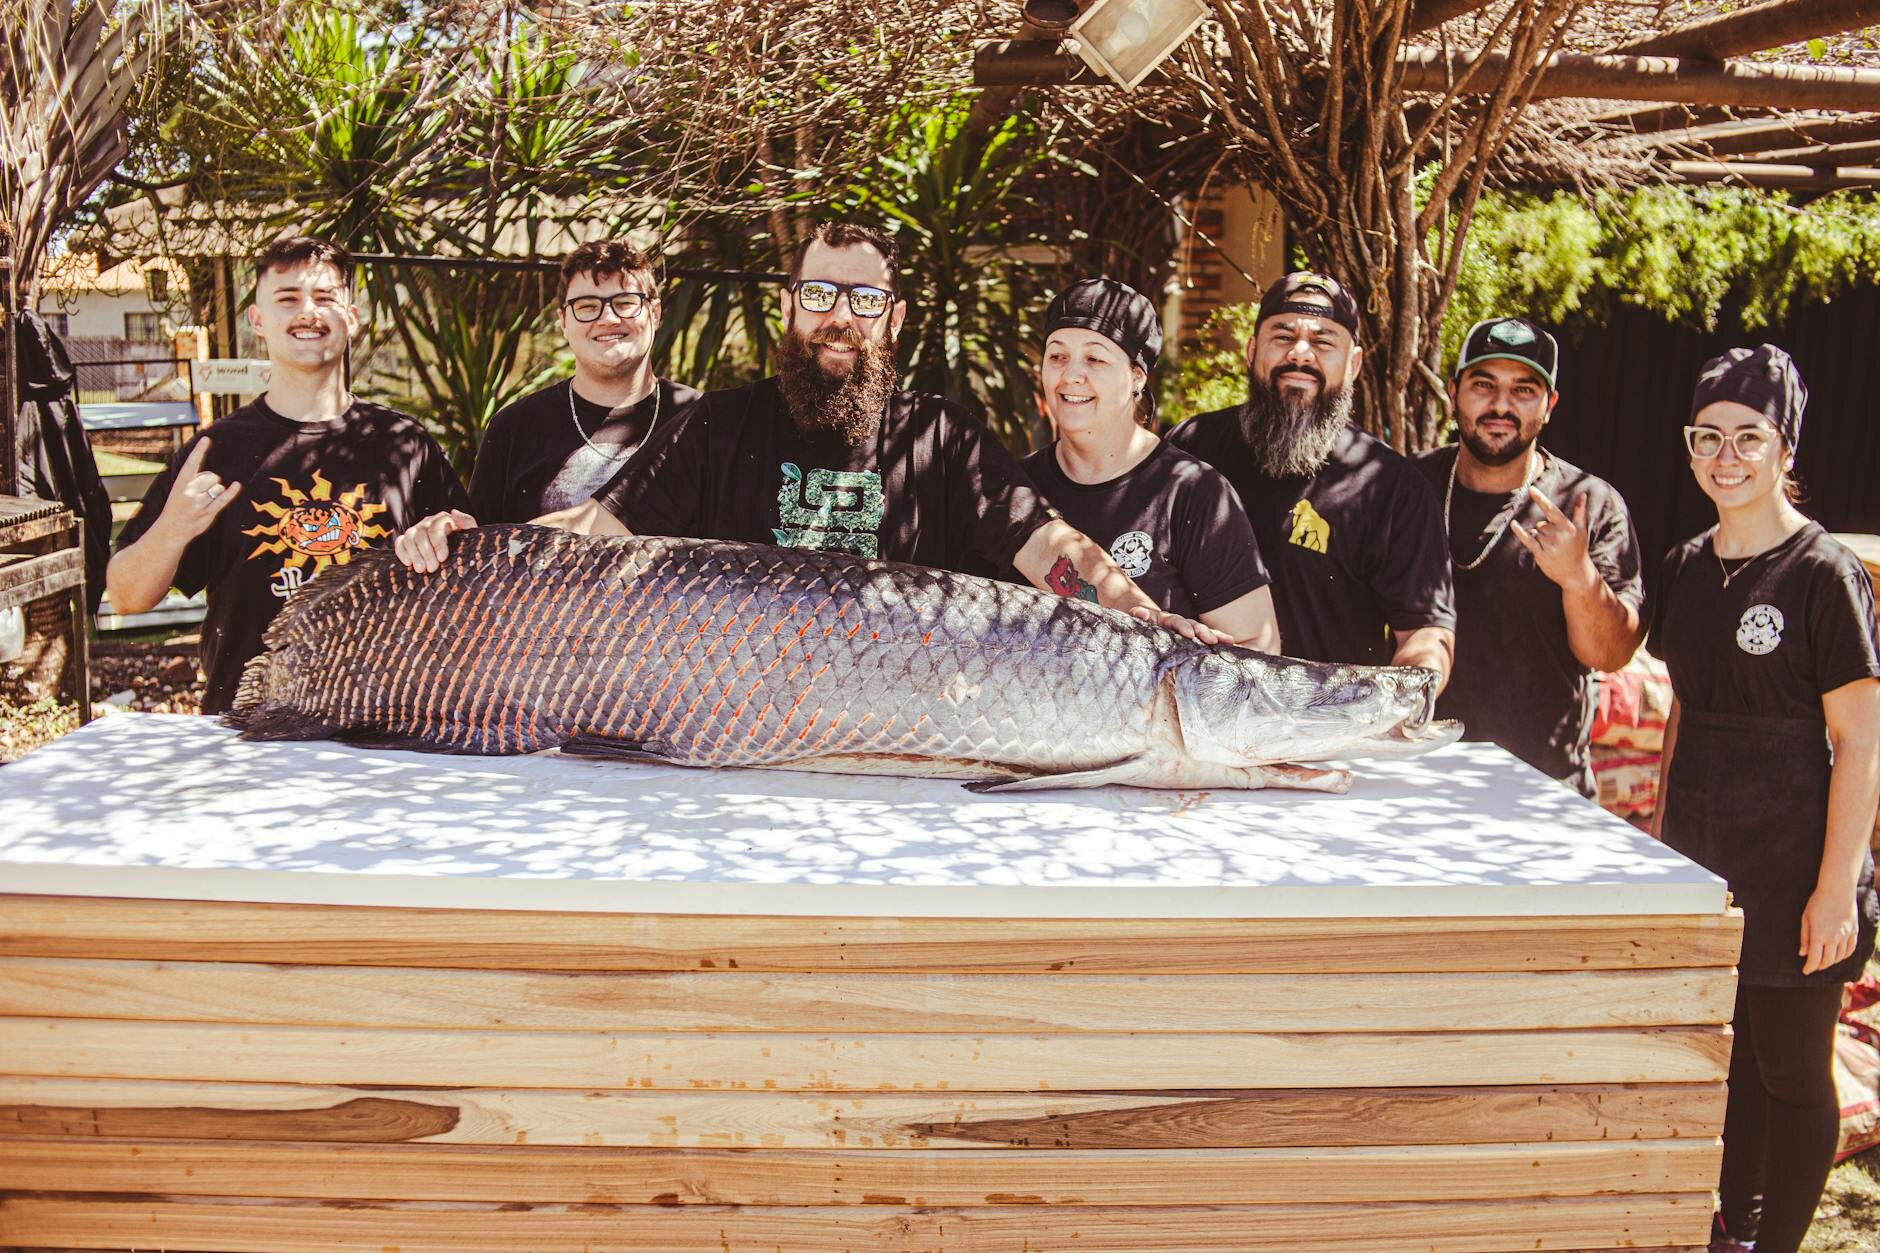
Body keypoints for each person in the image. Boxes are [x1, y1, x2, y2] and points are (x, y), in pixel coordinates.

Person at [398, 222, 1225, 641]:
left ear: (893, 318)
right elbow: (596, 529)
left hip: (902, 737)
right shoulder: (716, 425)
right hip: (735, 729)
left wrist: (1146, 623)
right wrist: (475, 542)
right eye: (822, 295)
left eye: (864, 301)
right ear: (789, 306)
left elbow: (1052, 551)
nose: (841, 319)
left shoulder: (938, 436)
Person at [1648, 345, 1880, 1253]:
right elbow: (1680, 716)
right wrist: (1668, 853)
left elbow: (1861, 740)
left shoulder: (1823, 573)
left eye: (1749, 437)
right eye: (1708, 437)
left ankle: (1776, 1242)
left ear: (1786, 448)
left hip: (1796, 864)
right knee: (1731, 1059)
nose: (1727, 456)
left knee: (1790, 1070)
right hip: (1708, 856)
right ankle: (1732, 1230)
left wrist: (1837, 888)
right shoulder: (1683, 565)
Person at [108, 237, 469, 713]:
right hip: (251, 725)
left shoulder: (405, 443)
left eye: (325, 299)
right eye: (288, 299)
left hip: (385, 726)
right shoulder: (216, 451)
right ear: (258, 321)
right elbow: (126, 597)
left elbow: (470, 577)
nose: (308, 312)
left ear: (352, 318)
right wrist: (172, 530)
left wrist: (454, 532)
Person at [1165, 271, 1454, 678]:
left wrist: (1406, 698)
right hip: (1196, 720)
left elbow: (1424, 632)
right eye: (1282, 337)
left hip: (1327, 728)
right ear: (1251, 351)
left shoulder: (1390, 488)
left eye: (1323, 342)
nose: (1300, 354)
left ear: (1353, 364)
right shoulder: (1191, 447)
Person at [1413, 317, 1645, 794]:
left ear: (1550, 403)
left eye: (1524, 390)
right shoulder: (1407, 490)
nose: (1501, 405)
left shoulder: (1590, 503)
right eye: (1483, 385)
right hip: (1419, 780)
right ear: (1454, 391)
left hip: (1547, 789)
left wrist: (1579, 580)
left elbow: (1610, 655)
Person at [1018, 277, 1278, 650]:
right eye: (1057, 355)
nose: (1071, 374)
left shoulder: (1192, 492)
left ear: (1136, 376)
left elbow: (1257, 646)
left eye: (1094, 358)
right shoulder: (1017, 489)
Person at [467, 240, 700, 523]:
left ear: (654, 313)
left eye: (625, 303)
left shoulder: (699, 421)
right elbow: (478, 549)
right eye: (587, 306)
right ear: (564, 321)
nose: (608, 318)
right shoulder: (514, 428)